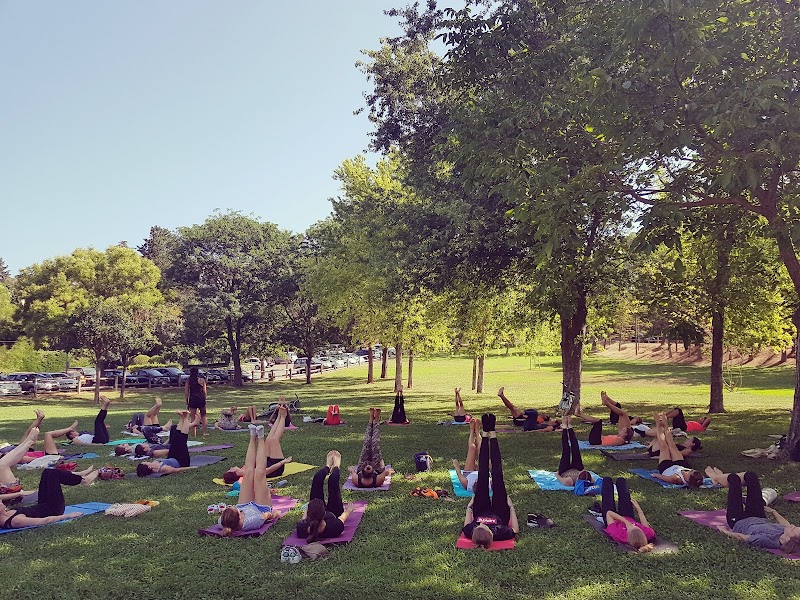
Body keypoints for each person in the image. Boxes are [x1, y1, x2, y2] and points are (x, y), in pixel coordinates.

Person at [462, 413, 519, 549]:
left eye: (479, 525)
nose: (482, 524)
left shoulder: (470, 532)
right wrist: (511, 507)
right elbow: (515, 529)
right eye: (484, 527)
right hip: (500, 512)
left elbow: (466, 525)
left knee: (482, 474)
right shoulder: (500, 533)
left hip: (481, 509)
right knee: (497, 475)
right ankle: (492, 432)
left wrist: (469, 506)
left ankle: (484, 433)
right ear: (490, 533)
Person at [217, 424, 282, 536]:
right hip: (261, 508)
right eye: (235, 508)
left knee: (248, 472)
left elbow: (230, 514)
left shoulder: (222, 522)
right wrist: (275, 514)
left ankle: (252, 436)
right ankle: (261, 437)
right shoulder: (251, 522)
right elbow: (267, 515)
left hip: (245, 505)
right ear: (240, 516)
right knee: (259, 473)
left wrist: (239, 509)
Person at [0, 460, 99, 530]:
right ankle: (83, 480)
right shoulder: (14, 521)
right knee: (52, 474)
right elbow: (44, 521)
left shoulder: (4, 512)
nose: (1, 501)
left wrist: (19, 493)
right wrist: (69, 516)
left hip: (43, 505)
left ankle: (80, 476)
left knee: (47, 472)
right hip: (53, 509)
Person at [718, 471, 800, 553]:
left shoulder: (767, 540)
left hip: (738, 521)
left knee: (734, 479)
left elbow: (742, 537)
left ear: (788, 539)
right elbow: (786, 524)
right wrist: (773, 511)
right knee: (751, 476)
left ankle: (717, 479)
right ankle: (719, 478)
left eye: (793, 529)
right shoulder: (785, 532)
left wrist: (725, 531)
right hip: (758, 516)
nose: (792, 525)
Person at [221, 404, 294, 484]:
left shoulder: (243, 469)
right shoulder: (248, 473)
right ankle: (283, 416)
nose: (231, 467)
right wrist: (282, 462)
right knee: (274, 440)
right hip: (276, 469)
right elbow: (266, 471)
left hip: (266, 463)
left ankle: (280, 415)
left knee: (269, 440)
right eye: (230, 469)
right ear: (236, 473)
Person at [295, 451, 355, 543]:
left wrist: (310, 508)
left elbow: (304, 518)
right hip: (334, 512)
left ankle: (328, 466)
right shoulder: (334, 527)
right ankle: (336, 466)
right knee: (333, 481)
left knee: (317, 478)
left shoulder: (302, 528)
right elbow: (342, 517)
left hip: (317, 515)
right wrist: (349, 510)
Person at [599, 476, 655, 552]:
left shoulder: (618, 535)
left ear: (627, 536)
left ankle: (607, 481)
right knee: (621, 482)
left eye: (631, 527)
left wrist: (626, 522)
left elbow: (609, 513)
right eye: (635, 526)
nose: (633, 525)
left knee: (607, 482)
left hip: (612, 519)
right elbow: (645, 525)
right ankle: (619, 481)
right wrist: (638, 509)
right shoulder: (648, 534)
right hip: (628, 516)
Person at [136, 411, 200, 476]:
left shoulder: (153, 464)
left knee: (175, 433)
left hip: (172, 456)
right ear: (149, 467)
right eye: (145, 463)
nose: (146, 461)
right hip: (181, 460)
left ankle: (182, 418)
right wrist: (192, 468)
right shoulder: (163, 468)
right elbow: (177, 470)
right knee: (181, 439)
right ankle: (186, 418)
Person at [651, 413, 703, 488]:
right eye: (692, 470)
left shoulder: (676, 478)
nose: (690, 470)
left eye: (690, 471)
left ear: (688, 479)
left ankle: (658, 423)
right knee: (672, 445)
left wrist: (655, 475)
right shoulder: (694, 475)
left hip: (667, 468)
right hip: (681, 465)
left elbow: (664, 478)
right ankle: (665, 423)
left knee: (663, 446)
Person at [42, 397, 112, 452]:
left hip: (103, 439)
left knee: (100, 421)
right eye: (74, 431)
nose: (76, 431)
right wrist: (97, 445)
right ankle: (105, 405)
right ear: (71, 435)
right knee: (97, 421)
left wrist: (103, 429)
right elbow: (85, 444)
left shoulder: (82, 435)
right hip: (98, 441)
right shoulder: (75, 440)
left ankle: (106, 405)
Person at [348, 408, 393, 488]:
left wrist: (351, 469)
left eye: (366, 468)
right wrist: (388, 472)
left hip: (362, 464)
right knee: (375, 444)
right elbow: (386, 472)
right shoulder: (378, 480)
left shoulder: (356, 480)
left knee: (367, 442)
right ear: (372, 472)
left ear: (362, 471)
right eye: (369, 468)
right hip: (378, 469)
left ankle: (370, 421)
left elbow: (352, 471)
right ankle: (376, 421)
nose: (368, 466)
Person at [555, 415, 594, 486]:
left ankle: (564, 427)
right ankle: (569, 427)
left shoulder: (569, 482)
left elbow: (558, 476)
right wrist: (583, 471)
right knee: (575, 449)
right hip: (578, 468)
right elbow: (591, 478)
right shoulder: (589, 479)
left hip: (565, 470)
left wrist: (557, 474)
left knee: (566, 450)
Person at [453, 419, 487, 492]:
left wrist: (456, 465)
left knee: (472, 448)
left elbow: (459, 473)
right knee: (481, 448)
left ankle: (472, 431)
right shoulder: (489, 483)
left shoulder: (467, 484)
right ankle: (477, 432)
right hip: (483, 472)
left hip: (469, 474)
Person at [185, 367, 208, 436]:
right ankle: (204, 432)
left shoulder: (188, 381)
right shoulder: (202, 380)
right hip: (201, 399)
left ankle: (194, 434)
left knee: (193, 417)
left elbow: (186, 392)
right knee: (203, 415)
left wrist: (187, 401)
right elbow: (204, 392)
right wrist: (204, 399)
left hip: (193, 399)